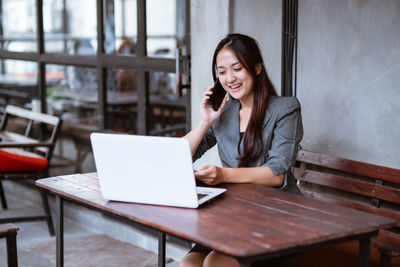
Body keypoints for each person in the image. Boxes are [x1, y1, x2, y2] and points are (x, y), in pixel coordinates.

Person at [180, 33, 303, 267]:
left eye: (237, 68)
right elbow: (180, 156)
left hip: (276, 214)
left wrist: (223, 175)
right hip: (235, 213)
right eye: (222, 71)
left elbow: (275, 175)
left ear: (256, 68)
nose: (229, 78)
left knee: (215, 263)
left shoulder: (285, 109)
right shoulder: (224, 113)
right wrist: (206, 120)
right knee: (190, 263)